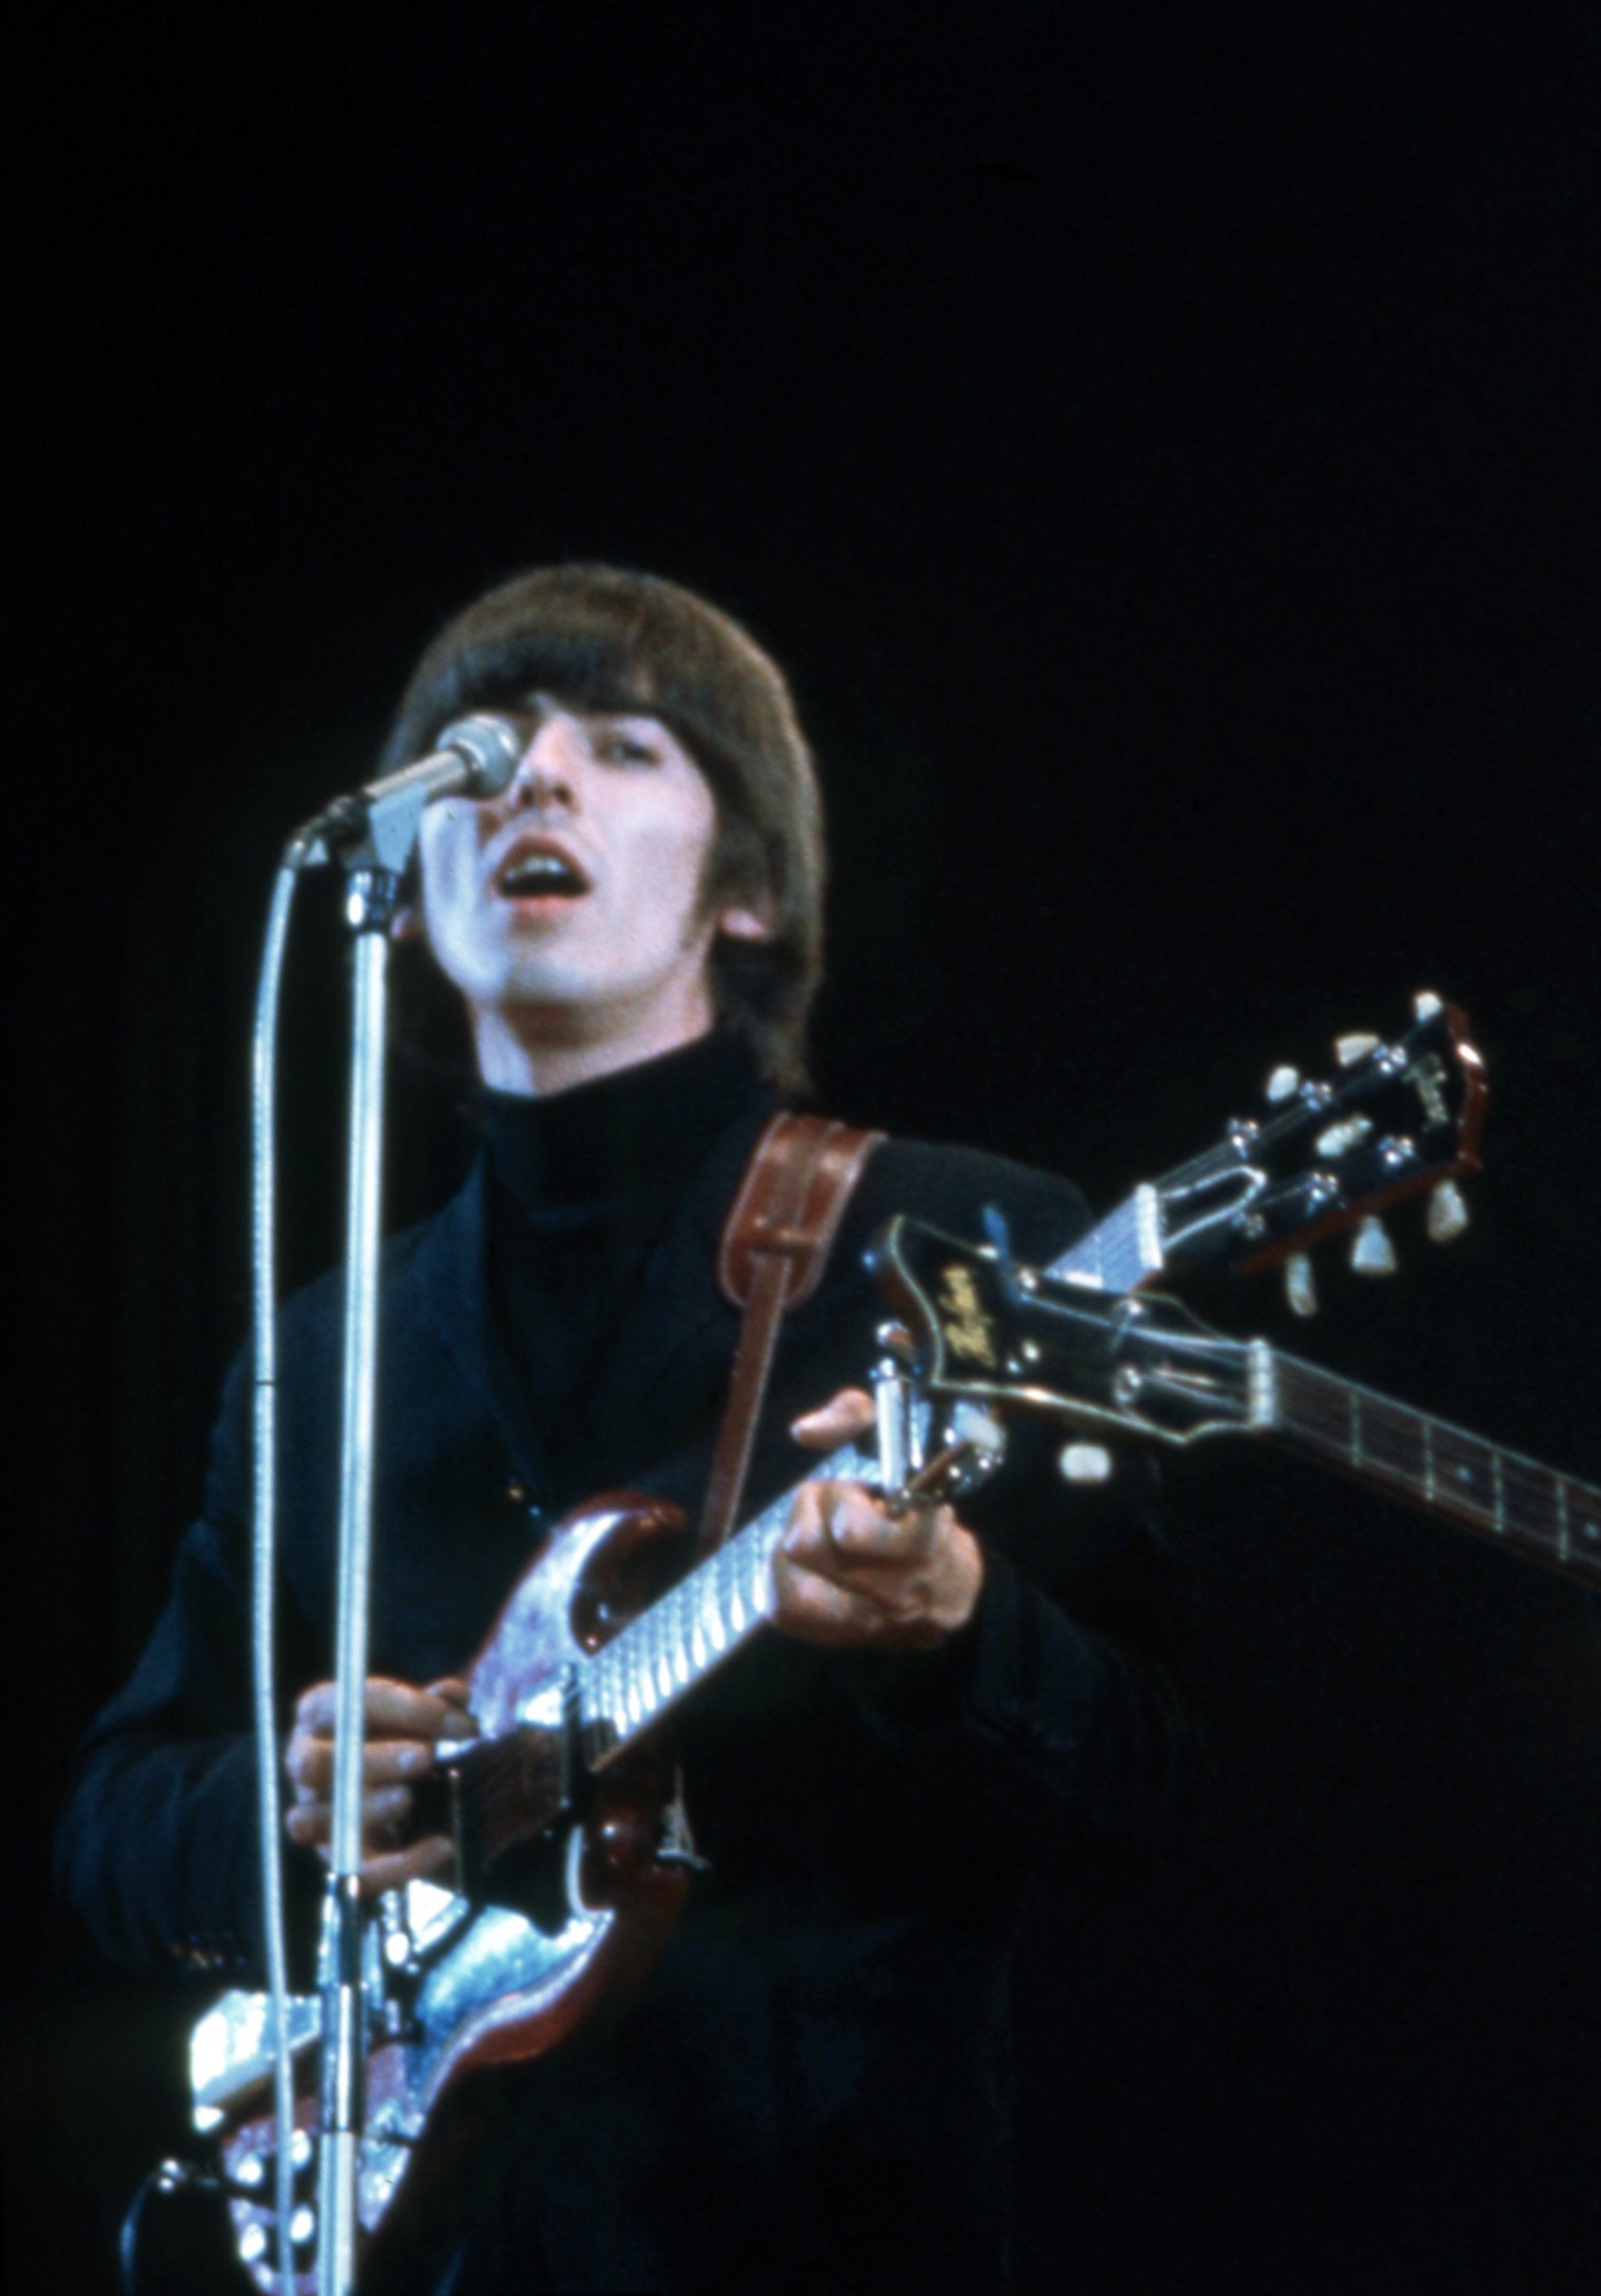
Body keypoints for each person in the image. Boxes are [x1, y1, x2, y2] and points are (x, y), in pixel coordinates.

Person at [56, 564, 1174, 2291]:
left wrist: (960, 1627)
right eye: (481, 749)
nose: (532, 779)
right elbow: (111, 1822)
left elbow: (1160, 1773)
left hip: (810, 2238)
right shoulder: (330, 1350)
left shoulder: (952, 1244)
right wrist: (287, 1809)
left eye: (624, 746)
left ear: (744, 891)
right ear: (410, 904)